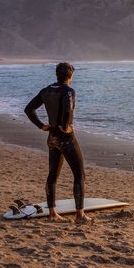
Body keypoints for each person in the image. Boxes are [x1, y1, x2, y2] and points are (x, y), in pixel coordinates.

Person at [24, 62, 92, 223]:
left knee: (52, 176)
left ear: (57, 75)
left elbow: (28, 109)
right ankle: (80, 215)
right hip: (66, 138)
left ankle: (52, 213)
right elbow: (68, 109)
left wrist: (41, 126)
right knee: (79, 175)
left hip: (52, 138)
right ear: (70, 76)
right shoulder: (69, 91)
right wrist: (65, 127)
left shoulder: (46, 90)